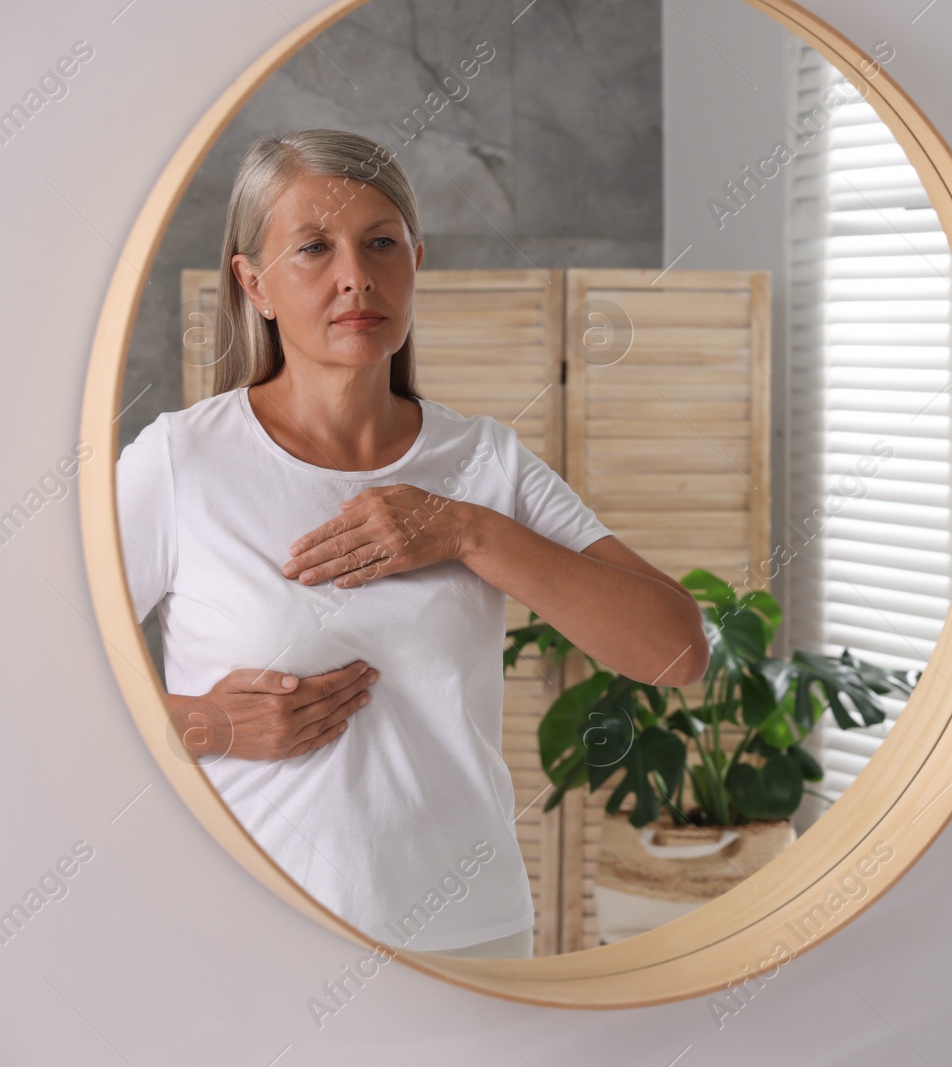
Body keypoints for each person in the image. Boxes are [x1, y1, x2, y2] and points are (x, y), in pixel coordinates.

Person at [115, 128, 709, 958]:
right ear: (254, 283)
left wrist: (465, 530)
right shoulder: (181, 464)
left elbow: (677, 650)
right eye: (314, 248)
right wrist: (210, 723)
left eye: (381, 243)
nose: (356, 274)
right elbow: (35, 687)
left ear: (416, 260)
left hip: (473, 937)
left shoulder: (485, 463)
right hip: (245, 936)